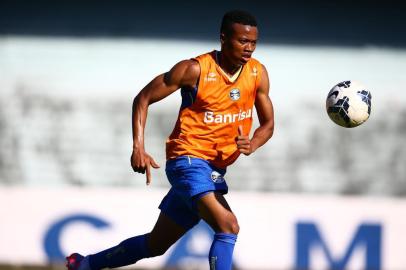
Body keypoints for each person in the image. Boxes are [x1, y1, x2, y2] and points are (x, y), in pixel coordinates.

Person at [66, 9, 274, 270]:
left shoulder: (257, 73)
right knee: (228, 225)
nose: (249, 48)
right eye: (242, 41)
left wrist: (253, 143)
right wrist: (138, 146)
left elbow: (268, 124)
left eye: (253, 42)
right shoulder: (194, 69)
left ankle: (85, 264)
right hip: (187, 161)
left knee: (155, 245)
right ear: (223, 38)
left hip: (214, 168)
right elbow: (143, 99)